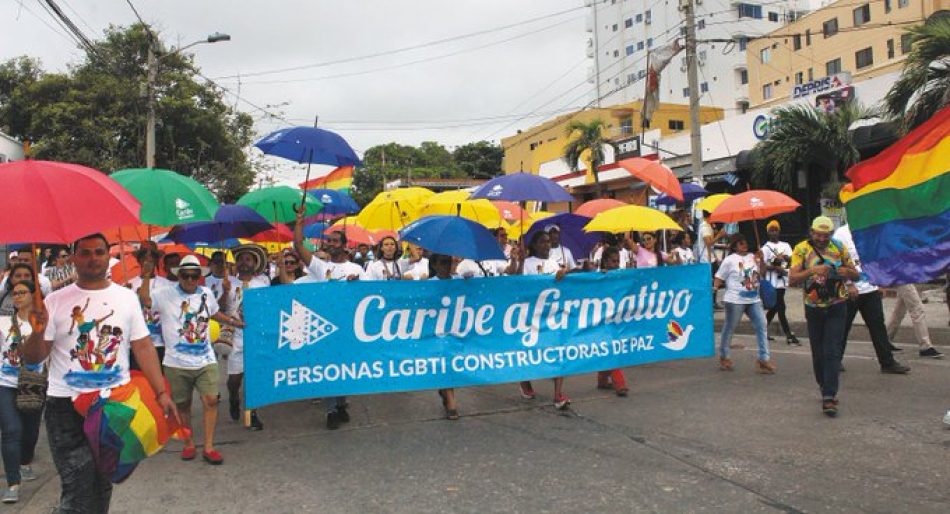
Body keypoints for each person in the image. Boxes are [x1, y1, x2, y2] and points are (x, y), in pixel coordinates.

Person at [22, 233, 176, 513]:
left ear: (108, 255)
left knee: (103, 482)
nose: (92, 258)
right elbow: (33, 357)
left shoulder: (127, 298)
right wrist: (36, 330)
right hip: (65, 407)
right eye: (85, 253)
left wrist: (161, 392)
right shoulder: (54, 301)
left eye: (98, 252)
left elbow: (142, 347)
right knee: (78, 487)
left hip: (114, 405)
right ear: (73, 258)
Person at [148, 255, 243, 465]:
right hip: (175, 363)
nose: (190, 280)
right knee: (183, 405)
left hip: (205, 360)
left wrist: (233, 322)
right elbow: (145, 302)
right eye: (185, 276)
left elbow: (215, 314)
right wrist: (146, 275)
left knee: (210, 400)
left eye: (194, 276)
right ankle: (189, 443)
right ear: (178, 276)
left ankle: (209, 446)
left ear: (200, 277)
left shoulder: (206, 293)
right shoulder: (163, 294)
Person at [789, 217, 861, 417]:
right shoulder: (801, 249)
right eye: (818, 235)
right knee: (818, 353)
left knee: (832, 350)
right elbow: (792, 279)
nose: (822, 238)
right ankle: (824, 384)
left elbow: (856, 275)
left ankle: (829, 395)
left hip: (838, 305)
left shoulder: (839, 247)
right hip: (813, 307)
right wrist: (812, 270)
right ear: (811, 232)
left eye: (826, 235)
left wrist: (843, 271)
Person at [294, 209, 359, 429]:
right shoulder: (322, 267)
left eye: (334, 240)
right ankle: (331, 410)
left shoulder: (356, 268)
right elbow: (298, 247)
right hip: (326, 327)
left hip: (349, 326)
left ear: (343, 245)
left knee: (345, 368)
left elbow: (370, 295)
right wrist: (299, 223)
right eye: (327, 240)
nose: (329, 243)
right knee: (330, 367)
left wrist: (357, 284)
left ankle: (341, 404)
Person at [832, 224, 910, 375]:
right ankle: (835, 361)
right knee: (843, 327)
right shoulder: (841, 234)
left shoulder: (870, 229)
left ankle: (887, 362)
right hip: (851, 291)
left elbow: (876, 258)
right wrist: (849, 284)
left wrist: (880, 282)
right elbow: (837, 262)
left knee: (878, 327)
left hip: (870, 288)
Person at [514, 231, 570, 410]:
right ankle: (524, 381)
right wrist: (521, 260)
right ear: (535, 245)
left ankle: (557, 394)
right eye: (543, 242)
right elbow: (517, 282)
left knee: (559, 351)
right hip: (532, 316)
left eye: (548, 241)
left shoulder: (553, 262)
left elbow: (563, 281)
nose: (547, 244)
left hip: (553, 315)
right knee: (529, 352)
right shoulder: (528, 263)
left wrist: (565, 272)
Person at [0, 280, 44, 503]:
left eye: (22, 292)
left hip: (34, 384)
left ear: (32, 295)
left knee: (30, 431)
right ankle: (12, 483)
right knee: (11, 431)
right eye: (14, 293)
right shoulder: (3, 322)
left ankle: (25, 461)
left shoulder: (43, 322)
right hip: (6, 383)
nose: (17, 296)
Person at [219, 244, 271, 431]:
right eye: (240, 259)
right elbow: (219, 309)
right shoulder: (228, 282)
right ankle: (233, 398)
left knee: (254, 376)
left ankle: (252, 414)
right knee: (235, 379)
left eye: (248, 259)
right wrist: (225, 291)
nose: (244, 263)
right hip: (235, 336)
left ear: (255, 263)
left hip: (256, 334)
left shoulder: (263, 283)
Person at [714, 233, 775, 374]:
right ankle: (724, 356)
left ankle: (763, 359)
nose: (745, 245)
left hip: (754, 299)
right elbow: (718, 277)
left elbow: (762, 274)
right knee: (730, 327)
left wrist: (762, 260)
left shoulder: (753, 257)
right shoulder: (730, 260)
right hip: (735, 300)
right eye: (741, 243)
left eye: (745, 242)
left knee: (762, 325)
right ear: (735, 246)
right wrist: (714, 290)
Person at [429, 254, 461, 419]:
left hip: (457, 331)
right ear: (434, 265)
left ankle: (446, 392)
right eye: (442, 263)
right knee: (445, 362)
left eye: (449, 262)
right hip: (436, 333)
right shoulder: (428, 285)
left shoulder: (459, 281)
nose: (446, 266)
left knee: (453, 363)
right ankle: (451, 402)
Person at [595, 247, 629, 396]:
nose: (616, 264)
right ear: (605, 262)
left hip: (616, 318)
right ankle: (619, 383)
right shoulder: (597, 276)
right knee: (613, 347)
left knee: (609, 348)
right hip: (599, 320)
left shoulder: (619, 275)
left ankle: (602, 379)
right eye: (613, 261)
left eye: (618, 261)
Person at [760, 220, 800, 345]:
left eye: (776, 230)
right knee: (780, 307)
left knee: (775, 307)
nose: (774, 232)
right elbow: (762, 266)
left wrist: (784, 259)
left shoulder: (786, 245)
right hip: (771, 282)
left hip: (782, 281)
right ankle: (789, 335)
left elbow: (791, 260)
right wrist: (774, 264)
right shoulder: (765, 248)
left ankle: (762, 330)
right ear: (768, 232)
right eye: (771, 230)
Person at [129, 247, 166, 366]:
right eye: (144, 259)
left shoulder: (165, 284)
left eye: (151, 259)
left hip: (160, 343)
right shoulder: (130, 283)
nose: (148, 262)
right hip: (136, 342)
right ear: (139, 261)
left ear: (156, 261)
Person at [886, 284, 942, 358]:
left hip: (901, 277)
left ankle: (886, 339)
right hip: (904, 277)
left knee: (900, 309)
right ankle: (925, 346)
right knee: (917, 309)